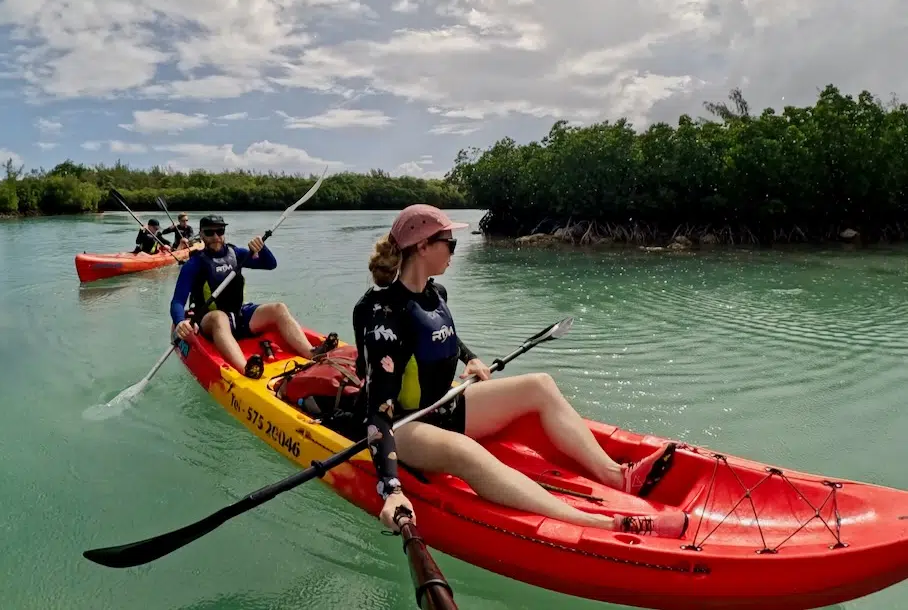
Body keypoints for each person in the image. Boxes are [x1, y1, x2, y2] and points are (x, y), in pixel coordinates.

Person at [352, 204, 689, 539]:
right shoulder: (385, 318)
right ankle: (600, 523)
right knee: (467, 451)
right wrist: (391, 490)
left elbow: (435, 334)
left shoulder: (434, 293)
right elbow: (378, 414)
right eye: (449, 243)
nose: (455, 249)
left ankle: (617, 476)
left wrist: (468, 357)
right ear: (422, 246)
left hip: (444, 404)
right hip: (404, 424)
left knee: (539, 385)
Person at [170, 213, 338, 378]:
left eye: (219, 232)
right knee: (219, 317)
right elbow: (177, 301)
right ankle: (246, 368)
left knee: (278, 308)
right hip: (210, 321)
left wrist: (261, 248)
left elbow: (270, 264)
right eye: (209, 233)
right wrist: (179, 322)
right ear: (201, 235)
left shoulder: (236, 254)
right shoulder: (194, 264)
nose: (215, 237)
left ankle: (311, 353)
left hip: (238, 315)